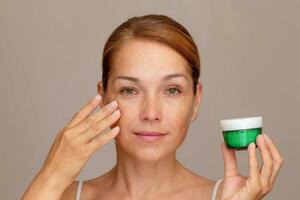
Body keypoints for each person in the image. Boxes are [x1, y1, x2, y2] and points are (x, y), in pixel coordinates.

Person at [21, 14, 283, 200]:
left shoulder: (230, 197)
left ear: (196, 101)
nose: (151, 113)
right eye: (130, 90)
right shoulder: (58, 196)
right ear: (103, 99)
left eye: (172, 90)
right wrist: (51, 175)